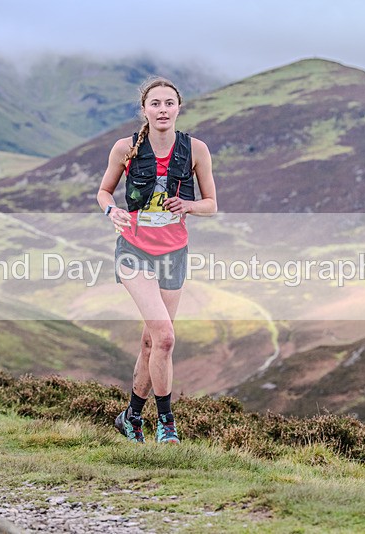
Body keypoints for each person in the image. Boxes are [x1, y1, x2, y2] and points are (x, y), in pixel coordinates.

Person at [96, 77, 217, 444]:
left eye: (169, 103)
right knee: (165, 337)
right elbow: (103, 192)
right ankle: (166, 424)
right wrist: (112, 211)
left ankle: (131, 416)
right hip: (134, 250)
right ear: (144, 109)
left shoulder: (196, 149)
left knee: (152, 342)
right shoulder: (126, 148)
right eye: (155, 103)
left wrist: (190, 205)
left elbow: (211, 205)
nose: (162, 110)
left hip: (174, 252)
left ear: (178, 108)